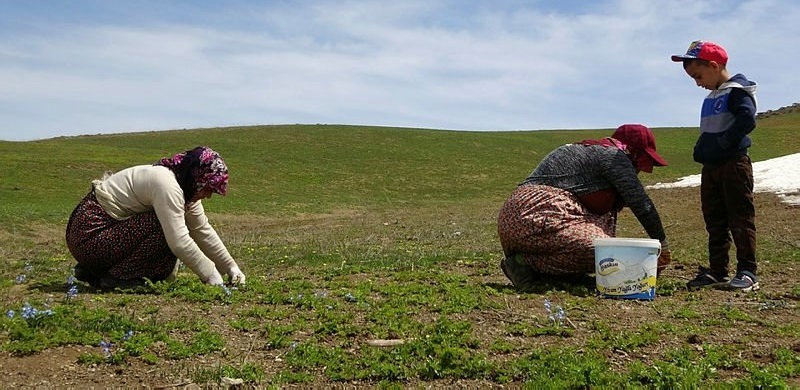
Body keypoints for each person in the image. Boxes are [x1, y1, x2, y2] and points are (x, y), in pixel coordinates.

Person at [497, 124, 672, 291]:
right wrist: (661, 245)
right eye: (642, 162)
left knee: (604, 245)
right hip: (538, 212)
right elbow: (640, 202)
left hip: (515, 217)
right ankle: (526, 263)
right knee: (607, 255)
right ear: (633, 152)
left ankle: (534, 270)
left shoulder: (589, 151)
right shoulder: (614, 157)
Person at [65, 146, 246, 290]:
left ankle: (97, 270)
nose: (208, 196)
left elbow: (201, 230)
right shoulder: (166, 185)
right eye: (207, 188)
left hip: (89, 236)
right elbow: (179, 241)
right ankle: (118, 278)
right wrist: (211, 275)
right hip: (90, 235)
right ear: (195, 176)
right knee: (166, 226)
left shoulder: (184, 190)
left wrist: (231, 267)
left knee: (170, 223)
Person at [671, 40, 759, 291]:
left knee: (739, 217)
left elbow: (746, 120)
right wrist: (701, 149)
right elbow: (710, 129)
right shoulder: (712, 97)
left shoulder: (737, 90)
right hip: (711, 167)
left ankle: (747, 271)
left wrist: (724, 143)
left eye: (698, 76)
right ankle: (718, 271)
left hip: (733, 164)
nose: (698, 83)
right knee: (715, 219)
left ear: (713, 65)